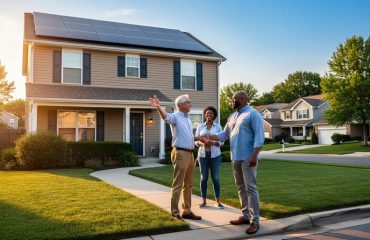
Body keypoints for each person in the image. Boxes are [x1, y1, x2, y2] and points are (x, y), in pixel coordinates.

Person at [204, 91, 264, 234]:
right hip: (235, 157)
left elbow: (259, 137)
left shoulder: (253, 114)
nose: (231, 102)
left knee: (251, 188)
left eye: (234, 99)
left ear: (242, 99)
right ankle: (245, 215)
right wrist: (208, 137)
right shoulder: (232, 116)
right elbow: (224, 135)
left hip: (248, 157)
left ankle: (255, 221)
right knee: (240, 187)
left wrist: (254, 156)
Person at [148, 94, 205, 220]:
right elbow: (166, 117)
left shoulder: (188, 119)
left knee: (189, 184)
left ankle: (187, 211)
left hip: (190, 154)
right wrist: (158, 106)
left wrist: (198, 138)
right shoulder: (175, 117)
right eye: (188, 102)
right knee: (178, 184)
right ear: (181, 105)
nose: (191, 104)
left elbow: (188, 137)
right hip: (180, 153)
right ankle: (175, 212)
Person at [195, 106, 224, 209]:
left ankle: (218, 201)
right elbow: (196, 140)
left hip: (215, 156)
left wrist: (211, 142)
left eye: (211, 113)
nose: (209, 115)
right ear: (205, 115)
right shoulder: (200, 126)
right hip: (202, 155)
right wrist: (201, 143)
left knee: (215, 178)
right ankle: (203, 201)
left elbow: (221, 141)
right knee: (203, 178)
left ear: (214, 116)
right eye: (207, 113)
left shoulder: (218, 127)